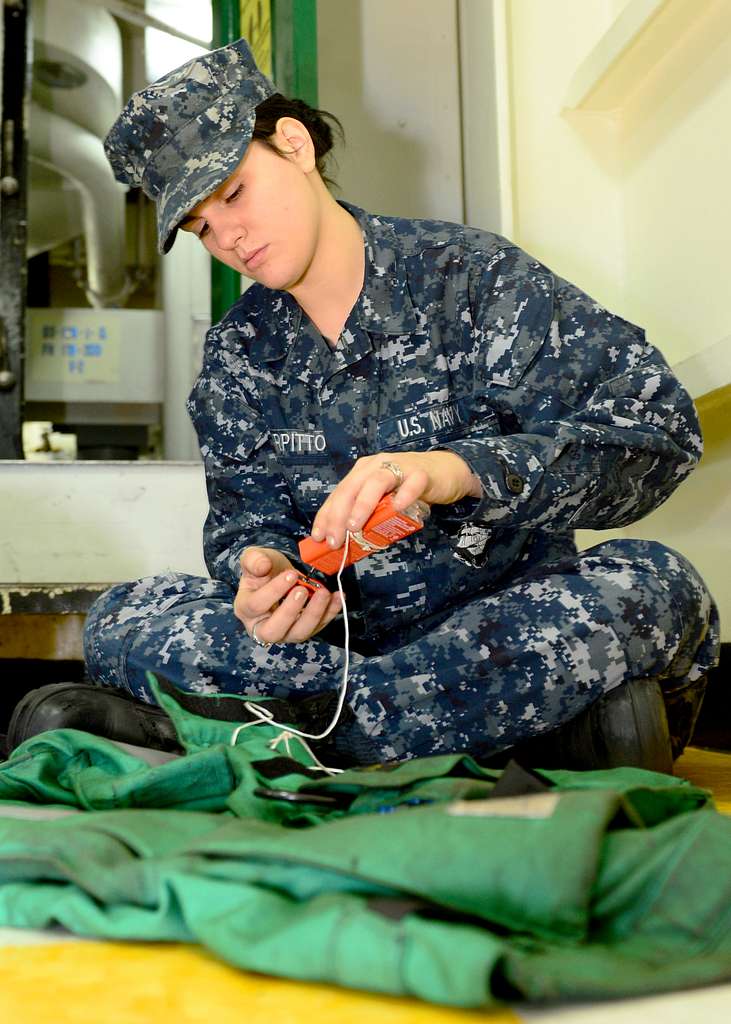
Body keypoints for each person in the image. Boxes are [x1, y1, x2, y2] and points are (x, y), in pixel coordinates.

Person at [9, 38, 720, 769]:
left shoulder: (472, 279)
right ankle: (500, 732)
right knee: (122, 618)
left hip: (498, 629)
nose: (230, 237)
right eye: (201, 228)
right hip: (334, 655)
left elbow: (656, 435)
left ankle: (275, 740)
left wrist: (459, 471)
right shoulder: (236, 354)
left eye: (232, 194)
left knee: (653, 585)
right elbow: (243, 528)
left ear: (292, 145)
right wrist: (265, 579)